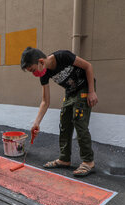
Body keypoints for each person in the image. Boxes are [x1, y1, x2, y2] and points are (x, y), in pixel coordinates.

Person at [20, 47, 98, 176]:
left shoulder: (63, 56)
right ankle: (64, 159)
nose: (34, 74)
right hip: (70, 92)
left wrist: (91, 91)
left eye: (33, 70)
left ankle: (88, 161)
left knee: (79, 121)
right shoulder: (44, 74)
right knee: (64, 123)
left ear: (41, 61)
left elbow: (88, 66)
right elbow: (45, 101)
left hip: (84, 87)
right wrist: (36, 123)